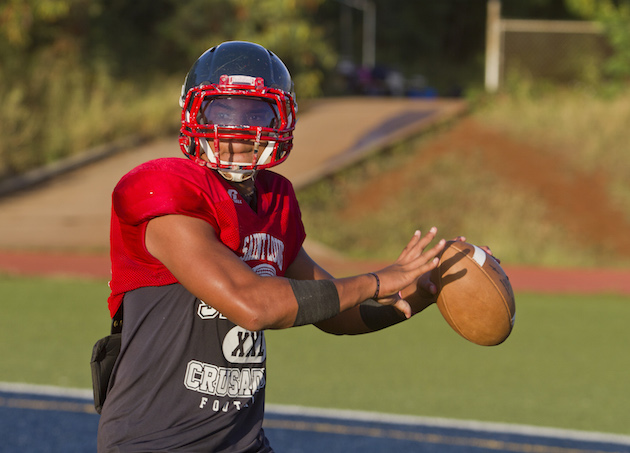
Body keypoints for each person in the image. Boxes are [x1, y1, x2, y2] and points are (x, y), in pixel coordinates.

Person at [97, 40, 448, 452]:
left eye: (257, 113)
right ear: (192, 111)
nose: (239, 130)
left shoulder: (274, 199)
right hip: (156, 443)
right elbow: (254, 306)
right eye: (222, 111)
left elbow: (337, 312)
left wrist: (424, 287)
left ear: (284, 118)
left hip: (242, 443)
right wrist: (375, 279)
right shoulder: (166, 188)